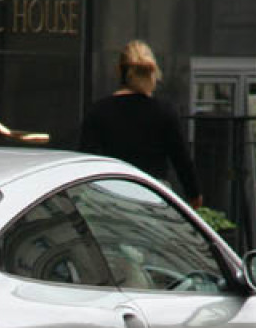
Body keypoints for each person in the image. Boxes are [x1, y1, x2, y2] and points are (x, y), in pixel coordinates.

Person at [79, 39, 202, 208]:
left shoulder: (98, 111)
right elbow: (182, 161)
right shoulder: (165, 112)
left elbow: (86, 159)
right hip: (153, 198)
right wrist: (194, 196)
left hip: (111, 198)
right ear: (153, 73)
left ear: (118, 71)